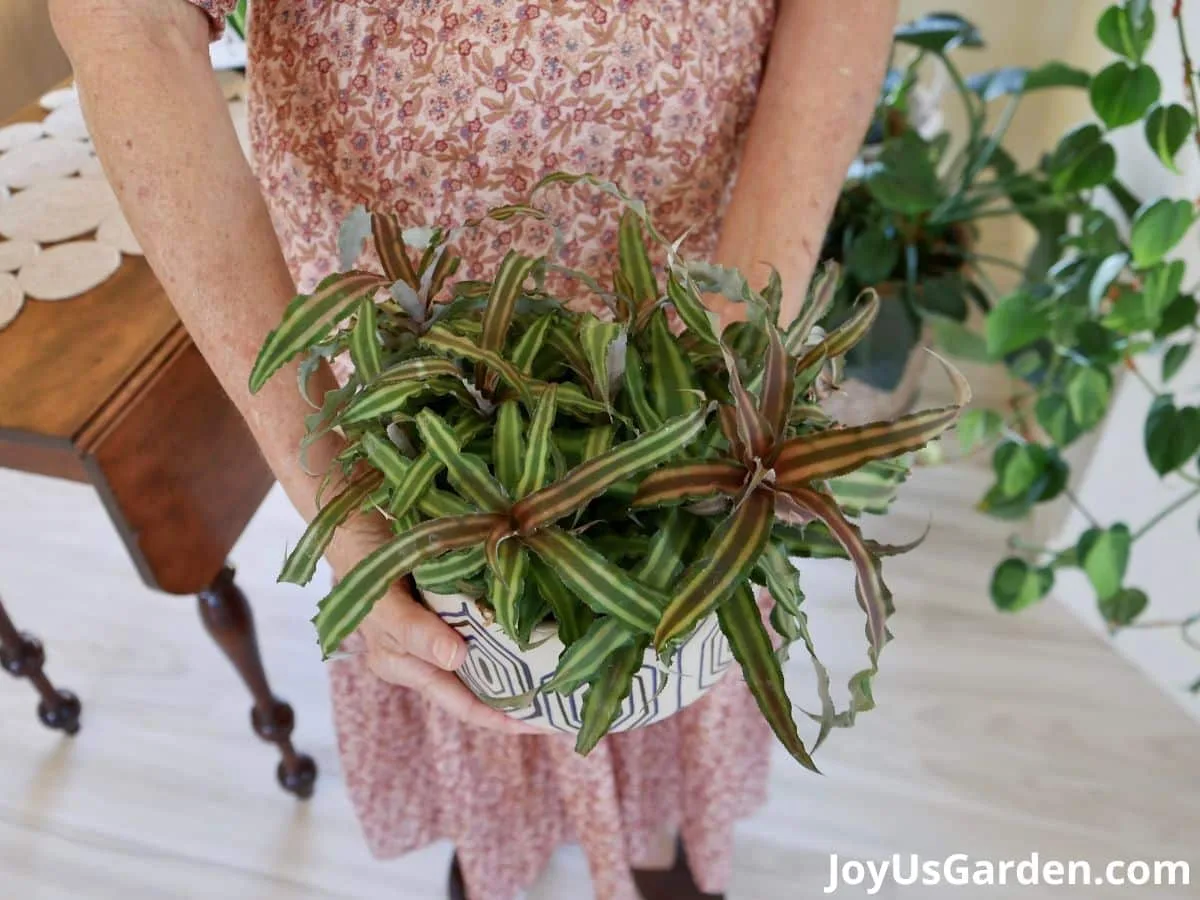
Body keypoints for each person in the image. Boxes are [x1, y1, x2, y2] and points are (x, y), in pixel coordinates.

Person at [53, 2, 897, 898]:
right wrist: (343, 507)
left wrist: (732, 339)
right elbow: (125, 21)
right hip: (404, 333)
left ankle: (660, 833)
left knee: (674, 610)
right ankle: (502, 839)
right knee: (464, 651)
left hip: (686, 264)